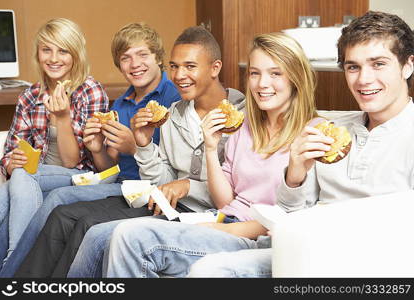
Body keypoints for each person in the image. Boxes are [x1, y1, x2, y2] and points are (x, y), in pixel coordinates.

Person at [188, 10, 414, 277]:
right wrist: (294, 176)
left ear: (408, 65)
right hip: (302, 251)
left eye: (378, 64)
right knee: (210, 270)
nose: (363, 79)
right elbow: (293, 211)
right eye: (353, 67)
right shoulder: (331, 130)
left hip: (370, 265)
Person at [100, 31, 323, 278]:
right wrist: (210, 146)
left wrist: (225, 230)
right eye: (255, 73)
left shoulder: (314, 134)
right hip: (222, 219)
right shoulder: (245, 125)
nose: (262, 84)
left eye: (275, 73)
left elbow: (298, 217)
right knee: (123, 233)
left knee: (133, 238)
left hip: (257, 239)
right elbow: (224, 201)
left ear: (296, 77)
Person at [59, 25, 246, 278]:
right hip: (172, 209)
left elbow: (239, 194)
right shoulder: (171, 114)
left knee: (98, 233)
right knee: (82, 225)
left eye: (190, 66)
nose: (180, 75)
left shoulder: (242, 118)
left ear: (215, 68)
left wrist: (188, 185)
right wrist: (145, 145)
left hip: (213, 216)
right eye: (175, 67)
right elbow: (162, 182)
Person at [0, 22, 180, 276]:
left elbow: (78, 163)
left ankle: (12, 272)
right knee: (5, 195)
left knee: (47, 193)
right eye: (125, 58)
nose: (134, 64)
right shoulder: (124, 103)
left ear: (158, 58)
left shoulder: (174, 97)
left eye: (142, 55)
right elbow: (110, 167)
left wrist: (135, 147)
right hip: (117, 182)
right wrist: (96, 149)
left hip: (132, 186)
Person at [0, 18, 109, 264]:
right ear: (38, 54)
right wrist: (11, 162)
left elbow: (72, 162)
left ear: (75, 55)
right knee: (5, 193)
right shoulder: (29, 97)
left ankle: (17, 261)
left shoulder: (90, 91)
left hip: (78, 178)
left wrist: (62, 118)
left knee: (23, 177)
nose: (54, 58)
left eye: (63, 50)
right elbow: (8, 155)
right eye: (47, 49)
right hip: (32, 179)